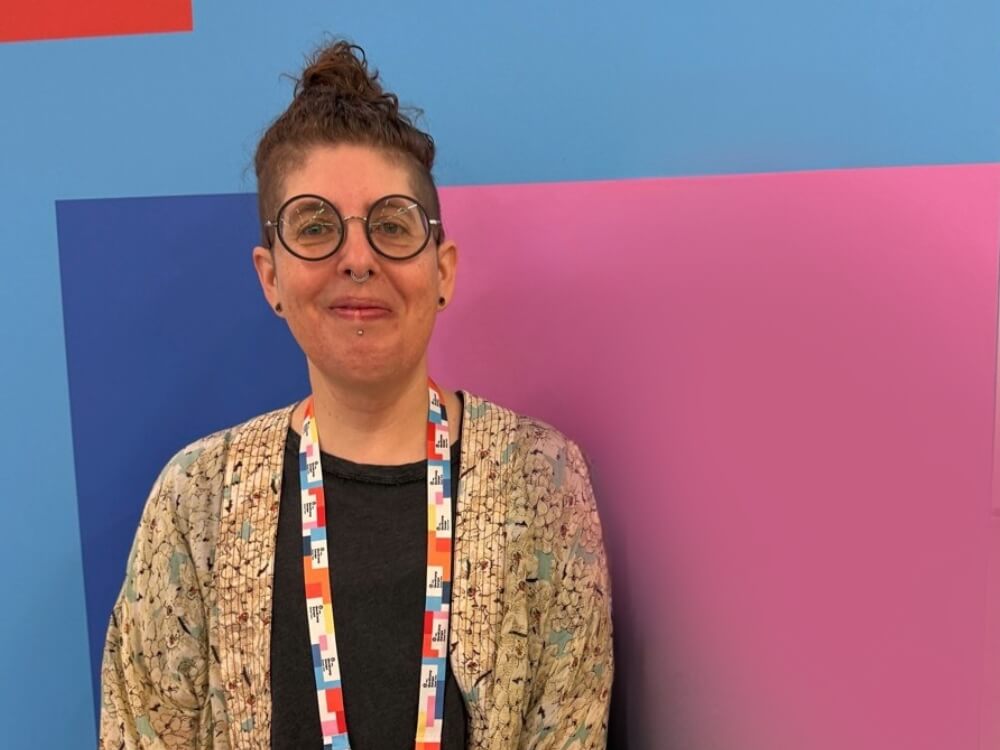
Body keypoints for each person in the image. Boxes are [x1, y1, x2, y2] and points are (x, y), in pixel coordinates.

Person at [99, 39, 613, 750]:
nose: (359, 258)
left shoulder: (540, 481)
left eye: (393, 226)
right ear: (270, 276)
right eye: (314, 228)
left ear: (444, 270)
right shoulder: (197, 498)